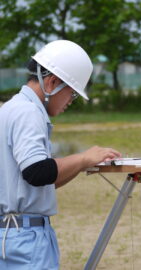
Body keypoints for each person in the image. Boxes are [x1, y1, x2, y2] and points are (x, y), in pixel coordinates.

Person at [0, 40, 121, 269]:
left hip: (11, 235)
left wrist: (79, 166)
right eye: (72, 93)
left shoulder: (11, 108)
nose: (70, 102)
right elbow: (37, 172)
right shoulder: (28, 112)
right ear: (52, 82)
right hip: (26, 240)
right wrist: (83, 158)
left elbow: (36, 184)